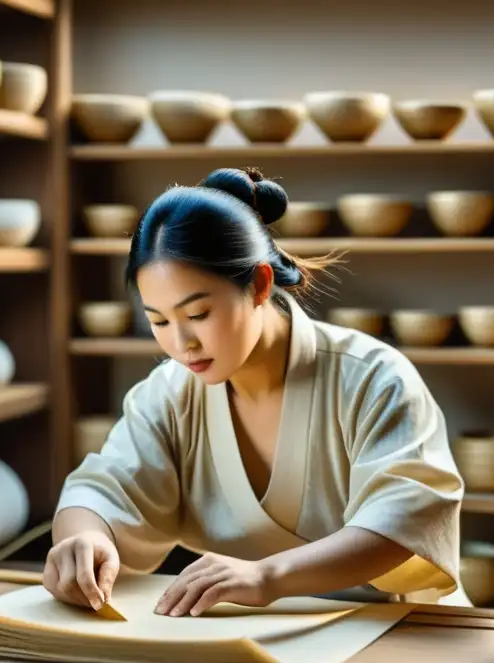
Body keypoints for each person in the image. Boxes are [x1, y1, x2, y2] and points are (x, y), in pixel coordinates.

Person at [44, 166, 466, 617]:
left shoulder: (374, 379)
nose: (181, 344)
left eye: (199, 313)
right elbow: (104, 490)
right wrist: (83, 539)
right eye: (160, 321)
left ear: (260, 284)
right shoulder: (170, 394)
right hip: (250, 632)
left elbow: (402, 522)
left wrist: (268, 576)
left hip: (396, 625)